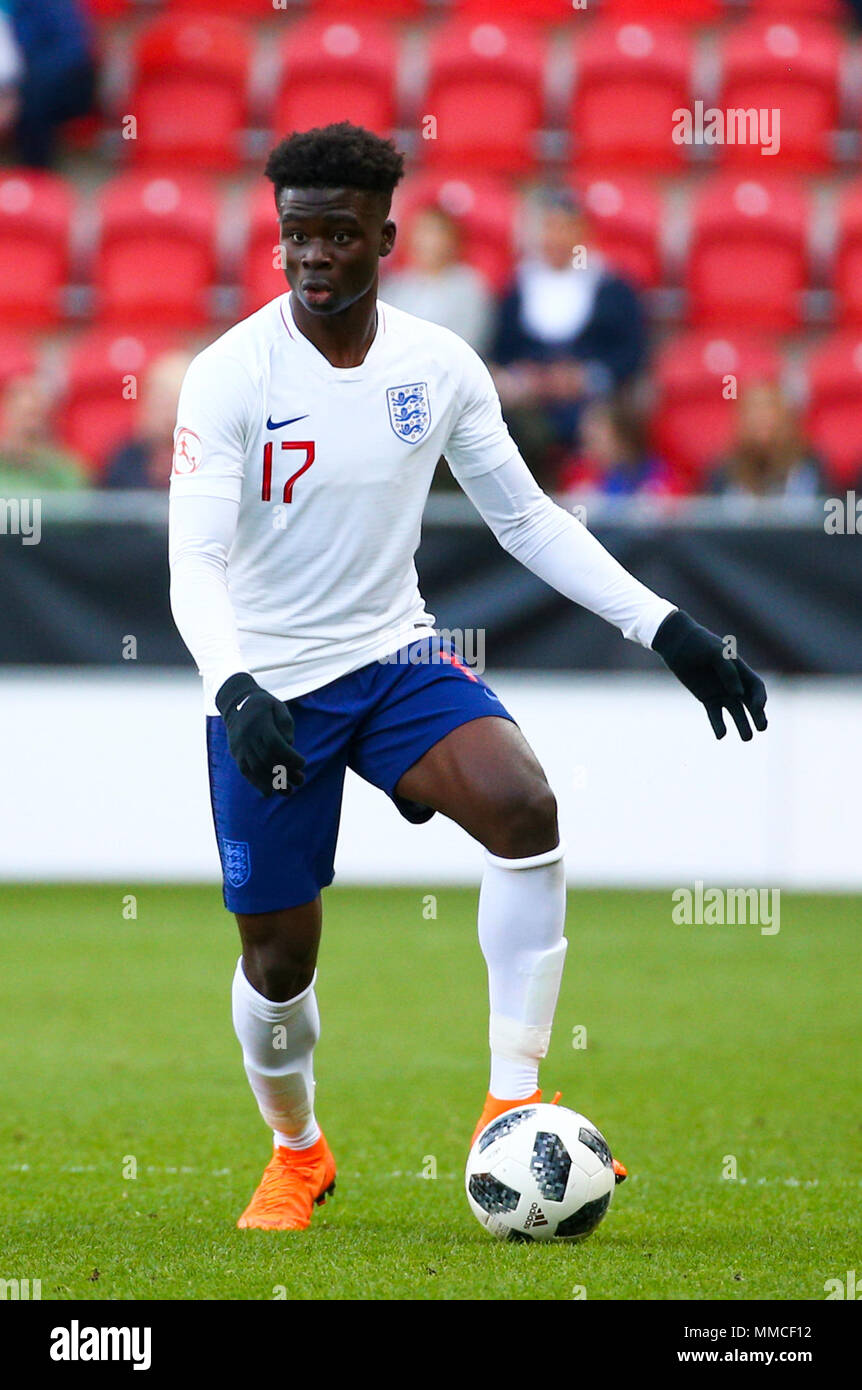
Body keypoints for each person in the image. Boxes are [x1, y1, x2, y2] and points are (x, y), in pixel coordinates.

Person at [168, 122, 767, 1233]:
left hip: (393, 656)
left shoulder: (437, 366)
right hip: (269, 685)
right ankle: (298, 1152)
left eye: (337, 235)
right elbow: (192, 561)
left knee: (523, 806)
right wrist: (235, 687)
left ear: (384, 238)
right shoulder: (229, 377)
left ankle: (514, 1100)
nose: (312, 256)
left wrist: (667, 626)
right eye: (295, 234)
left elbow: (527, 520)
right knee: (279, 959)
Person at [490, 189, 647, 487]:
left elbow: (632, 354)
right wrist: (526, 379)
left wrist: (585, 378)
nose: (557, 238)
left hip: (592, 402)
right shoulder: (516, 289)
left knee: (603, 427)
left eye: (566, 228)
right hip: (528, 405)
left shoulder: (614, 288)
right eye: (550, 228)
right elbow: (500, 353)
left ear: (583, 233)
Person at [380, 204, 493, 354]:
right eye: (422, 231)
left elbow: (469, 341)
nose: (428, 241)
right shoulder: (395, 287)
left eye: (435, 232)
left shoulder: (470, 287)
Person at [0, 0, 96, 169]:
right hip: (12, 84)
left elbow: (71, 52)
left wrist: (17, 91)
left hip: (62, 83)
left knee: (34, 100)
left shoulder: (52, 5)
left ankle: (35, 176)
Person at [708, 381, 825, 499]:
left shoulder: (812, 467)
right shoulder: (723, 472)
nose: (761, 419)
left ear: (787, 418)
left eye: (769, 410)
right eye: (753, 411)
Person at [103, 351, 193, 490]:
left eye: (175, 402)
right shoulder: (125, 459)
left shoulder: (211, 457)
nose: (168, 413)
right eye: (160, 400)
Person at [558, 394, 674, 498]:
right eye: (585, 441)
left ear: (623, 440)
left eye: (596, 439)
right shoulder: (578, 475)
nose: (587, 449)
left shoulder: (658, 475)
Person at [0, 372, 89, 493]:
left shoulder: (66, 472)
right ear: (7, 414)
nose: (29, 425)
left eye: (36, 415)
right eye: (23, 415)